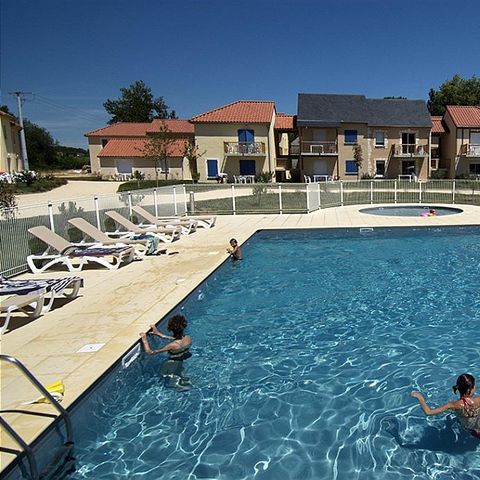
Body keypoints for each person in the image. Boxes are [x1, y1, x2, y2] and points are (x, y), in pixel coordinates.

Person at [411, 373, 480, 439]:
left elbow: (428, 412)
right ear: (469, 390)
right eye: (474, 386)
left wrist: (420, 397)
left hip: (469, 428)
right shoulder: (478, 399)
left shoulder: (453, 404)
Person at [139, 314, 192, 390]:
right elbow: (177, 339)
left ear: (170, 329)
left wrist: (145, 340)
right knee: (178, 374)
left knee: (163, 378)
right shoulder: (188, 338)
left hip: (170, 365)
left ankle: (179, 387)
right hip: (180, 361)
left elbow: (150, 352)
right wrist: (159, 334)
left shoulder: (172, 345)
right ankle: (183, 382)